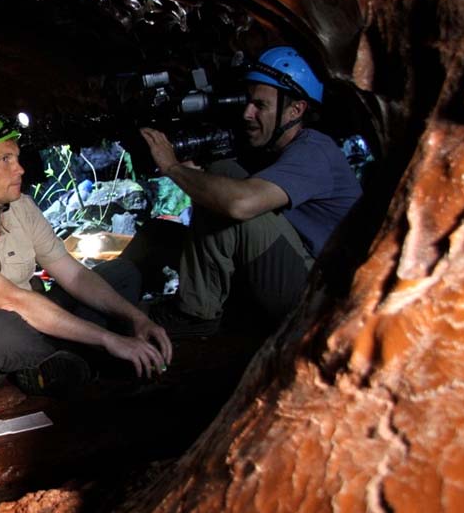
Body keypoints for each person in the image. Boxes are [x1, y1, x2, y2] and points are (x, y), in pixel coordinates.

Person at [0, 111, 172, 396]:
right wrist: (107, 339)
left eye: (16, 158)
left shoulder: (21, 208)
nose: (19, 169)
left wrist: (136, 319)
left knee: (120, 274)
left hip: (27, 321)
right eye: (4, 160)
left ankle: (57, 363)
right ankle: (78, 360)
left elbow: (74, 274)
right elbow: (10, 301)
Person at [139, 46, 362, 336]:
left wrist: (172, 167)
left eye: (261, 105)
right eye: (248, 102)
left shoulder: (314, 150)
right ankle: (123, 297)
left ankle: (195, 314)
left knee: (227, 182)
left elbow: (240, 205)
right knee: (158, 234)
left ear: (296, 109)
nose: (247, 113)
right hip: (298, 275)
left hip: (321, 297)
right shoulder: (273, 149)